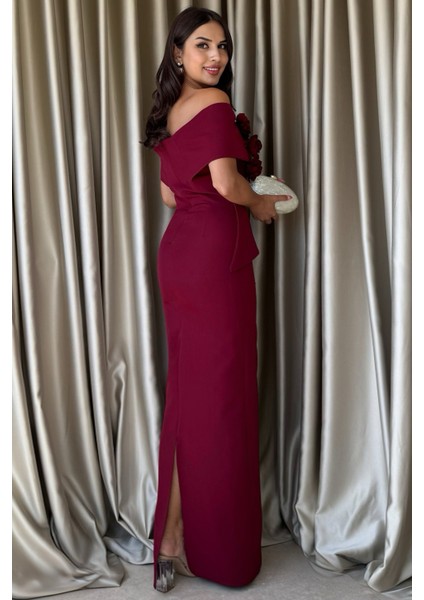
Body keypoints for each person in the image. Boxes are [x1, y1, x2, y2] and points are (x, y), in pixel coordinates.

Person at [144, 6, 291, 593]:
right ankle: (217, 554)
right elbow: (228, 185)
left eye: (223, 47)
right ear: (177, 52)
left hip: (179, 255)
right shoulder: (214, 103)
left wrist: (225, 193)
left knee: (189, 396)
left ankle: (170, 539)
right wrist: (262, 203)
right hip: (213, 262)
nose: (215, 56)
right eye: (202, 45)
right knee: (221, 400)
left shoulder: (169, 111)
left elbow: (169, 196)